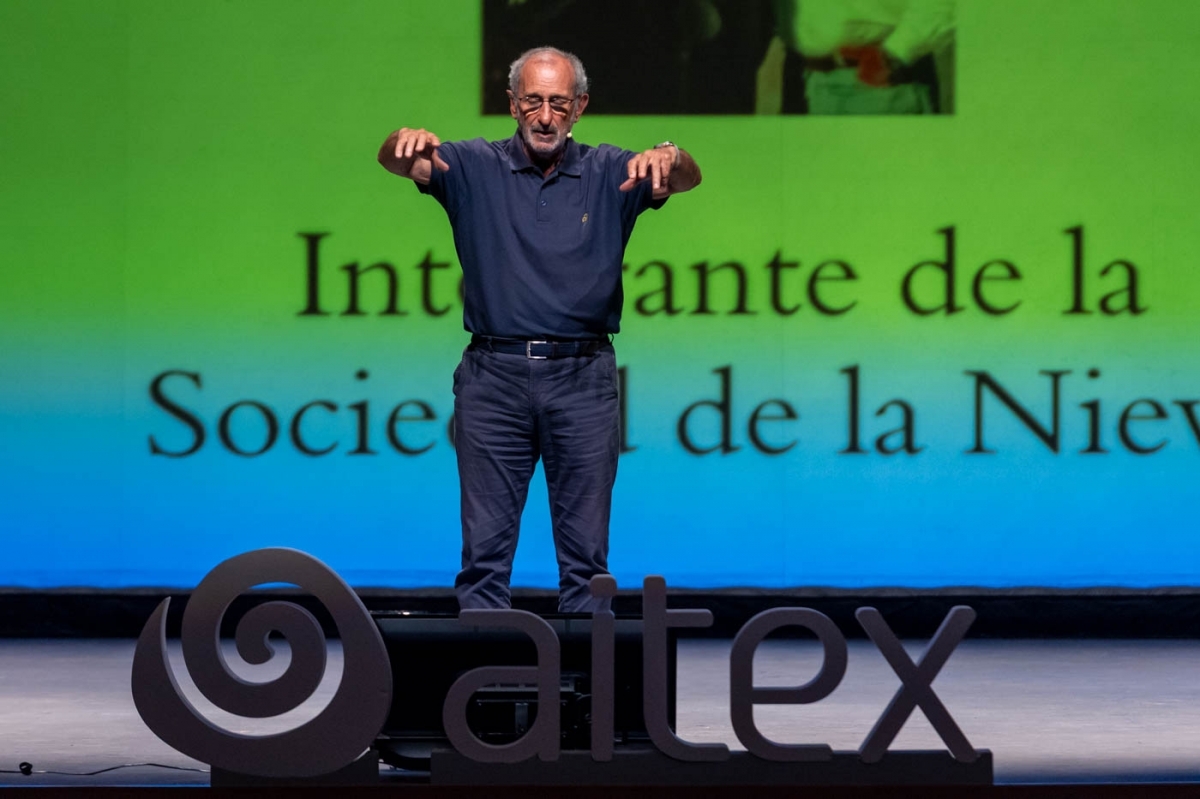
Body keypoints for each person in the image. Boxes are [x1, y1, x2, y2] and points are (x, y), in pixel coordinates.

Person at [377, 46, 702, 612]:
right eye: (532, 101)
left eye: (557, 103)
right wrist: (400, 141)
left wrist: (671, 153)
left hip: (582, 378)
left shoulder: (610, 172)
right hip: (493, 378)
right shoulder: (472, 164)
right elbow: (399, 161)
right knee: (483, 559)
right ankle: (481, 692)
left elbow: (686, 177)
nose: (545, 116)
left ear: (579, 107)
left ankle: (587, 697)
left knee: (586, 563)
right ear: (512, 105)